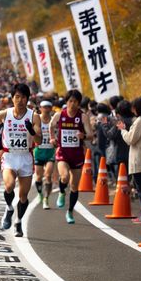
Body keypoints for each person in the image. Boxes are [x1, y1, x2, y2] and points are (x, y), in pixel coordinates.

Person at [0, 84, 42, 237]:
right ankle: (9, 208)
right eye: (17, 97)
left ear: (28, 99)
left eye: (23, 97)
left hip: (25, 157)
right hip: (9, 156)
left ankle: (18, 222)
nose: (20, 100)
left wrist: (31, 130)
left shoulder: (33, 116)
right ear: (12, 98)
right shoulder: (4, 114)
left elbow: (39, 140)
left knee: (23, 196)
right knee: (9, 185)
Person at [49, 90, 94, 223]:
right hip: (63, 152)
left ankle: (70, 212)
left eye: (75, 102)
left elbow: (91, 135)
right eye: (70, 101)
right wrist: (52, 138)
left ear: (79, 103)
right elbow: (50, 126)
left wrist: (84, 136)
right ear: (66, 102)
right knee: (64, 177)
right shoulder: (59, 115)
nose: (72, 104)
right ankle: (62, 192)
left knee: (74, 186)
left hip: (77, 155)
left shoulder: (83, 117)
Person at [118, 97, 141, 223]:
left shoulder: (139, 121)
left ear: (136, 108)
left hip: (140, 160)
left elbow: (130, 139)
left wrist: (123, 130)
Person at [33, 100, 55, 210]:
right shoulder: (37, 120)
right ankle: (40, 193)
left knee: (48, 176)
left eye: (48, 107)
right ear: (40, 108)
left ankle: (46, 198)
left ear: (51, 109)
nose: (46, 109)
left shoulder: (53, 121)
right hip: (39, 151)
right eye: (44, 107)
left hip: (50, 151)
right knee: (38, 176)